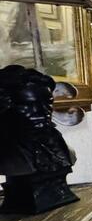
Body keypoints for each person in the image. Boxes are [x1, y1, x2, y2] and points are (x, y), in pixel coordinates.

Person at [0, 65, 78, 213]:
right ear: (5, 106)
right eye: (29, 105)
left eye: (47, 103)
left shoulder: (57, 141)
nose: (43, 112)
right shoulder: (6, 153)